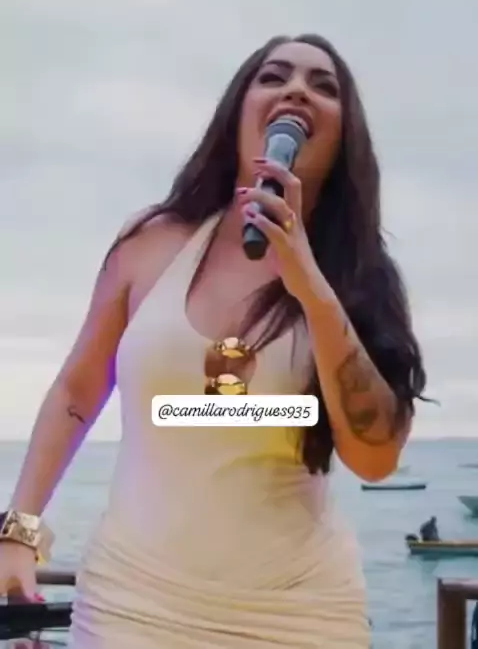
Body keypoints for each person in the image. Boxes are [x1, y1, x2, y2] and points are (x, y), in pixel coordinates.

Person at [0, 33, 427, 648]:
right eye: (274, 76)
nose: (297, 90)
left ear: (345, 135)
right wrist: (20, 531)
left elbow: (375, 457)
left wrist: (311, 287)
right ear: (238, 111)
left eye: (323, 86)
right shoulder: (151, 242)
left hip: (298, 616)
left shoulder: (361, 279)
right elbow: (77, 389)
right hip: (131, 605)